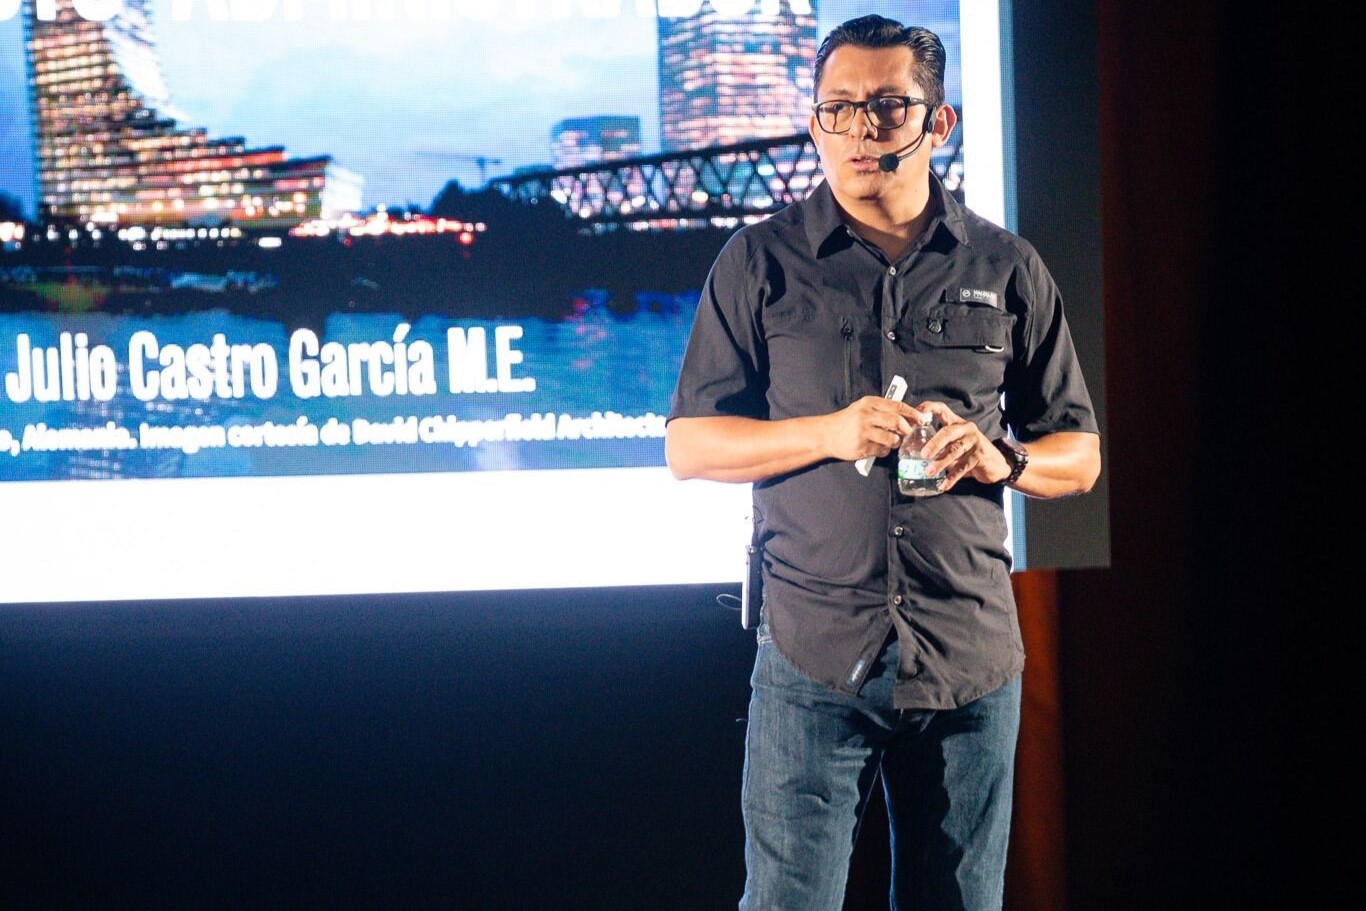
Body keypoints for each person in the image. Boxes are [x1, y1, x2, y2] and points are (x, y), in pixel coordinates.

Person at [665, 14, 1101, 911]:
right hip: (813, 650)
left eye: (888, 107)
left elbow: (1081, 456)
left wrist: (1002, 456)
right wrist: (828, 433)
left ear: (939, 124)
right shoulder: (759, 262)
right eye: (839, 108)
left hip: (967, 656)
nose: (861, 130)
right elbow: (690, 445)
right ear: (814, 123)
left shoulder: (1008, 266)